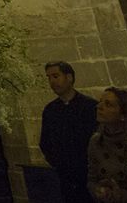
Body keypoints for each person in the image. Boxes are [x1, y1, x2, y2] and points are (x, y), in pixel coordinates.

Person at [39, 60, 98, 203]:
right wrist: (58, 162)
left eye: (56, 76)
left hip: (90, 174)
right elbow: (45, 142)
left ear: (69, 77)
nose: (52, 81)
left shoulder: (90, 106)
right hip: (65, 176)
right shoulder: (50, 110)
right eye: (49, 78)